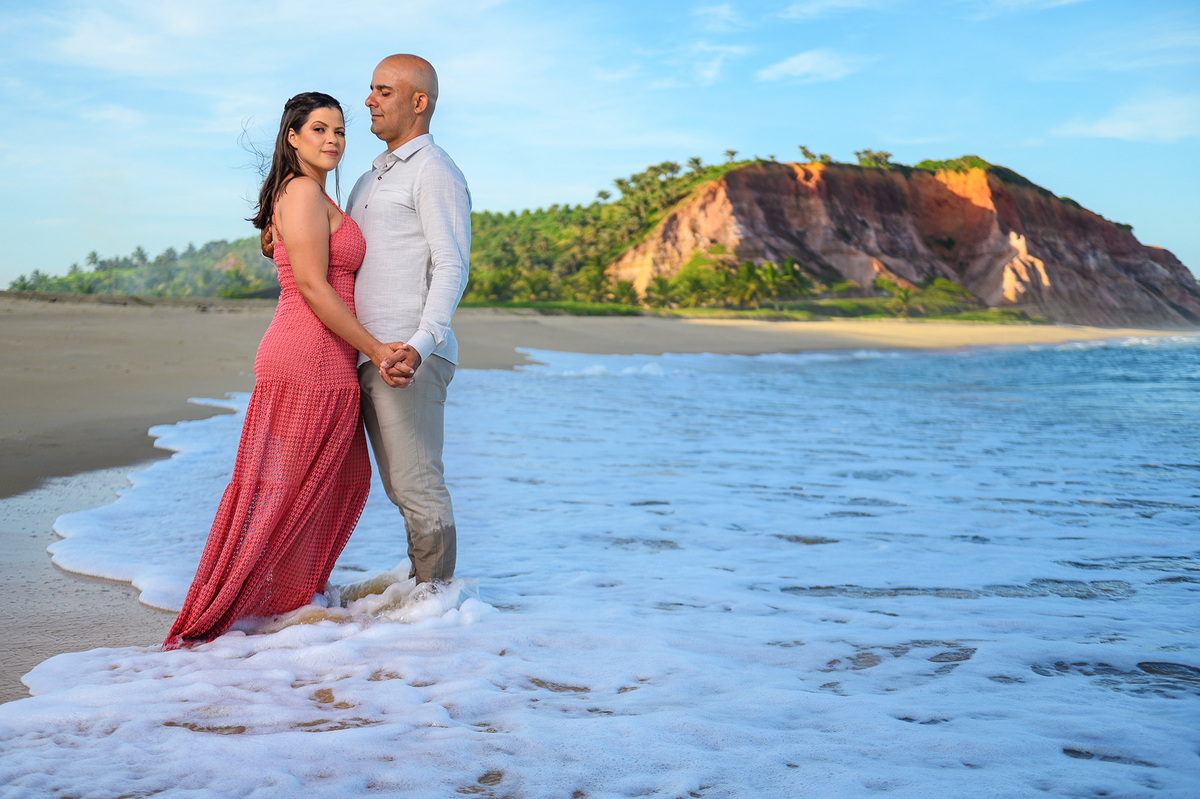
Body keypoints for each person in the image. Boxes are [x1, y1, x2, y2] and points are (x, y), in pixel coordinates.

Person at [164, 92, 407, 649]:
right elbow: (316, 287)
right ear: (292, 137)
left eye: (341, 131)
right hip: (306, 355)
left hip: (326, 355)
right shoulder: (300, 192)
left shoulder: (315, 193)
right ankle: (232, 613)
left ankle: (286, 603)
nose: (333, 140)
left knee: (341, 481)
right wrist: (375, 348)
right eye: (319, 129)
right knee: (278, 490)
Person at [347, 54, 471, 595]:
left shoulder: (435, 170)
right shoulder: (367, 179)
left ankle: (435, 610)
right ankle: (418, 599)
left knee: (416, 484)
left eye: (383, 91)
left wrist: (420, 346)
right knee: (397, 486)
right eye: (370, 90)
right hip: (367, 351)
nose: (369, 101)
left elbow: (452, 265)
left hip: (407, 357)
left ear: (418, 102)